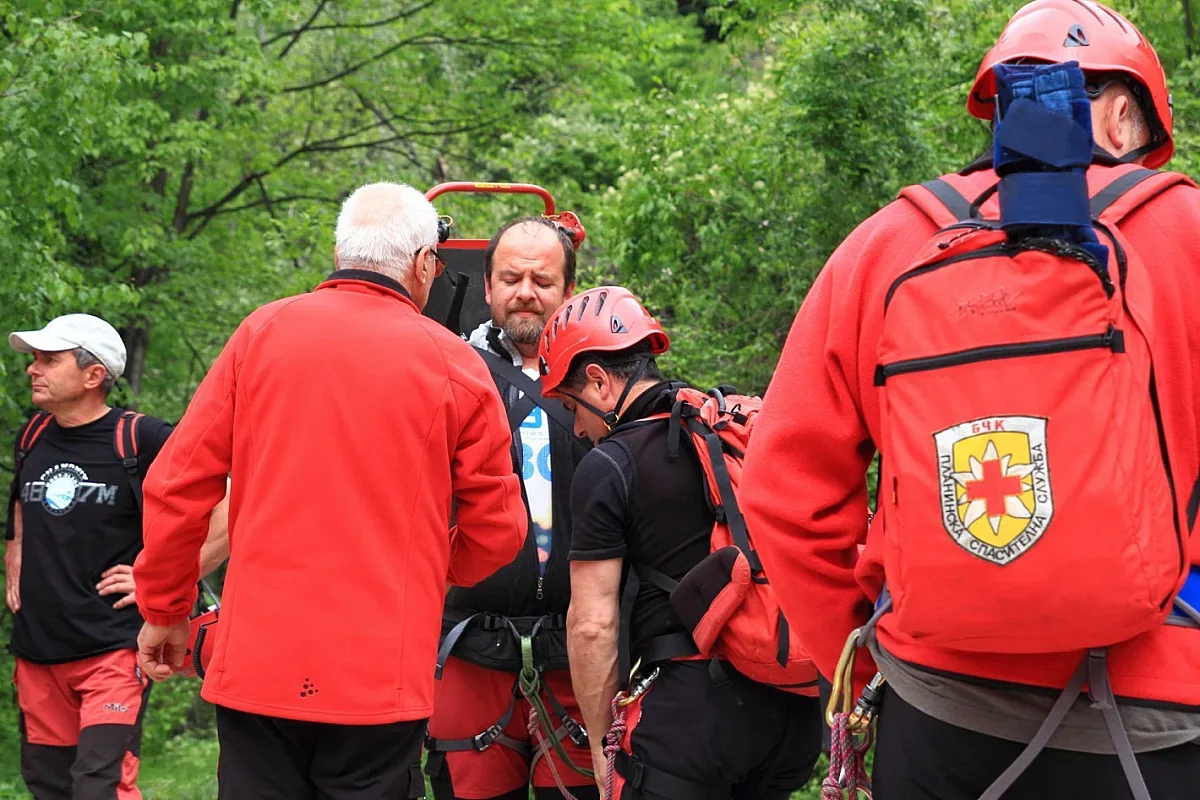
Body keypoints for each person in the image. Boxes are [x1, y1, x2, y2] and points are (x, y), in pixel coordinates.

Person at [740, 2, 1200, 798]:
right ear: (1125, 115)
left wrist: (869, 661)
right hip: (1161, 714)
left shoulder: (887, 243)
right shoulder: (1187, 230)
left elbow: (783, 498)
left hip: (939, 712)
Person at [131, 181, 528, 799]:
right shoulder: (455, 364)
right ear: (424, 264)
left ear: (340, 253)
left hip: (259, 667)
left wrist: (165, 608)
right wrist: (429, 567)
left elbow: (177, 486)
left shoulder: (261, 334)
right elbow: (498, 531)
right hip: (380, 677)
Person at [539, 286, 823, 799]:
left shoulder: (609, 465)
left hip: (688, 728)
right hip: (793, 716)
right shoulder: (726, 429)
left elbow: (592, 626)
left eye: (570, 405)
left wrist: (603, 749)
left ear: (599, 382)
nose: (577, 429)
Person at [4, 313, 228, 800]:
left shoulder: (142, 439)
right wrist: (14, 554)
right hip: (37, 650)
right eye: (35, 359)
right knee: (47, 786)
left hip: (113, 647)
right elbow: (20, 504)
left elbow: (230, 508)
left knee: (99, 786)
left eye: (49, 360)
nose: (32, 369)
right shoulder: (32, 436)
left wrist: (166, 577)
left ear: (93, 375)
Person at [425, 217, 597, 800]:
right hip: (467, 644)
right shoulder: (444, 370)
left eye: (542, 281)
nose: (526, 292)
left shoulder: (604, 379)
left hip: (578, 648)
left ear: (568, 290)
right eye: (511, 279)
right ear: (488, 286)